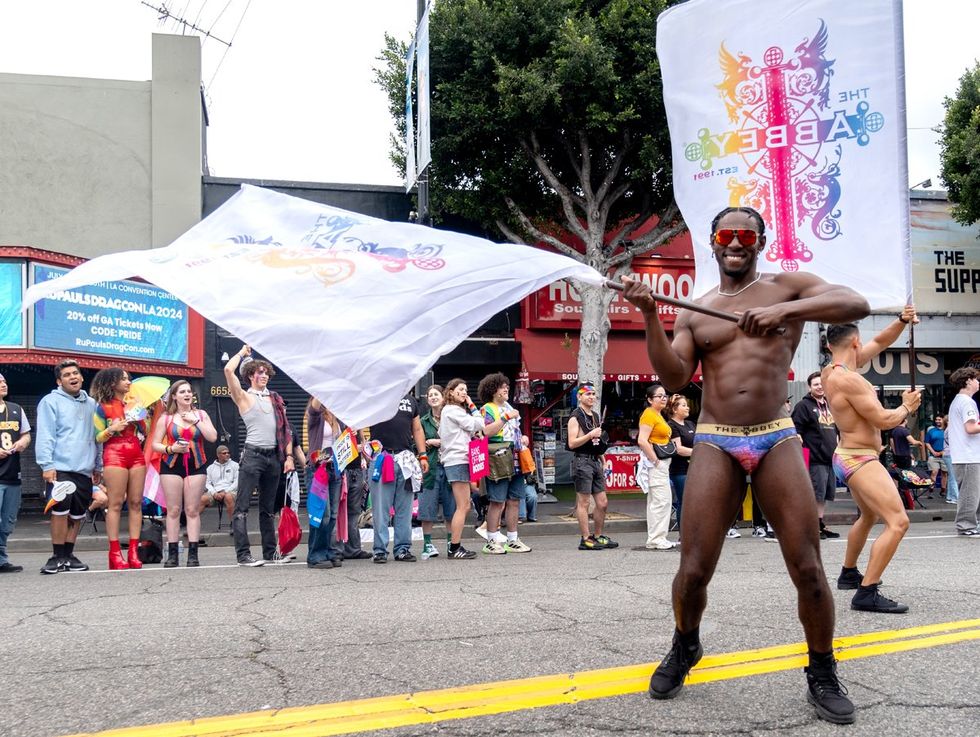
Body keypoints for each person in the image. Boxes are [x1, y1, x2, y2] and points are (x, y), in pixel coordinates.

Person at [622, 205, 870, 724]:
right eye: (725, 235)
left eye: (745, 235)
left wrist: (784, 313)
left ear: (759, 241)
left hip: (775, 435)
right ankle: (685, 645)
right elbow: (673, 379)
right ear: (713, 243)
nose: (735, 242)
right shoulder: (696, 308)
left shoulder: (788, 287)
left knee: (807, 566)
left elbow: (857, 302)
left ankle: (821, 669)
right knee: (692, 571)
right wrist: (649, 315)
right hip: (716, 439)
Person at [821, 309, 922, 613]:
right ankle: (867, 592)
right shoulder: (851, 381)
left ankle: (849, 573)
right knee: (898, 521)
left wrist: (902, 322)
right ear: (855, 342)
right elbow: (884, 419)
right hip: (859, 458)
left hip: (848, 455)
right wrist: (906, 407)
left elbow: (880, 341)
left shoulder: (830, 372)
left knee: (869, 517)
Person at [224, 346, 294, 567]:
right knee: (242, 507)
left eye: (265, 373)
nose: (263, 376)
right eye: (258, 372)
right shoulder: (244, 396)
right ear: (250, 376)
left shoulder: (275, 398)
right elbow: (227, 369)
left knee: (267, 509)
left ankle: (270, 553)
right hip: (253, 455)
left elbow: (286, 430)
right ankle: (243, 555)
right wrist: (242, 353)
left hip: (273, 457)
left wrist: (289, 456)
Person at [35, 359, 103, 574]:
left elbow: (97, 437)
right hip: (60, 468)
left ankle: (69, 555)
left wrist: (97, 466)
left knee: (77, 515)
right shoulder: (50, 402)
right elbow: (45, 435)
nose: (73, 377)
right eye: (67, 375)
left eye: (75, 373)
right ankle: (56, 556)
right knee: (59, 511)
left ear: (82, 377)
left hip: (85, 468)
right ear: (59, 381)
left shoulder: (93, 404)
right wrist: (47, 465)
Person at [150, 380, 217, 567]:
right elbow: (155, 444)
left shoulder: (201, 415)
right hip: (171, 465)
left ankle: (193, 554)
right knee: (172, 510)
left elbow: (212, 437)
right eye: (182, 392)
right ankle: (172, 555)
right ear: (174, 396)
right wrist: (171, 449)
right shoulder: (166, 418)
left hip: (196, 466)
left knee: (192, 510)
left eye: (189, 391)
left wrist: (195, 421)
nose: (187, 394)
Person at [439, 378, 506, 559]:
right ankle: (454, 547)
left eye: (466, 390)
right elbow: (478, 424)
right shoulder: (452, 410)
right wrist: (472, 405)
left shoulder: (450, 411)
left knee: (464, 505)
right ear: (450, 392)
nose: (464, 392)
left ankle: (455, 545)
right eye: (460, 389)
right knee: (463, 506)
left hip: (456, 460)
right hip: (458, 460)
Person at [91, 368, 148, 569]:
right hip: (114, 453)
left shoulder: (134, 405)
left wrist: (141, 419)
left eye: (128, 378)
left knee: (135, 502)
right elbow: (97, 436)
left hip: (136, 453)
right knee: (115, 503)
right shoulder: (102, 407)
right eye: (123, 378)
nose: (127, 381)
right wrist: (111, 429)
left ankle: (133, 550)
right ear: (111, 383)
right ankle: (115, 552)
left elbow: (145, 431)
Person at [368, 393, 428, 563]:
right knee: (380, 508)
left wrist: (422, 455)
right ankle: (380, 550)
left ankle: (402, 549)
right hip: (382, 457)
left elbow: (416, 428)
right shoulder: (376, 395)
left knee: (405, 508)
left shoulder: (410, 401)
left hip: (405, 458)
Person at [478, 372, 532, 555]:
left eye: (507, 386)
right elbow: (485, 432)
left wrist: (523, 437)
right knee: (497, 501)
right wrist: (505, 418)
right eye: (503, 386)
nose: (506, 389)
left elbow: (514, 431)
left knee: (515, 499)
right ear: (493, 390)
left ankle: (512, 539)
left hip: (515, 454)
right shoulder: (487, 409)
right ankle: (492, 540)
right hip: (498, 456)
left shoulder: (509, 406)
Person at [567, 383, 618, 551]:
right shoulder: (575, 417)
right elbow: (572, 443)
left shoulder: (595, 416)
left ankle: (597, 535)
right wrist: (589, 434)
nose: (591, 397)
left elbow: (596, 442)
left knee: (602, 502)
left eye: (593, 394)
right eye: (587, 394)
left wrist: (602, 458)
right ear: (579, 396)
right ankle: (585, 538)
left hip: (595, 460)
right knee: (584, 501)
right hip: (582, 461)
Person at [791, 372, 840, 539]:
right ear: (809, 387)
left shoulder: (830, 405)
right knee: (814, 494)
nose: (820, 387)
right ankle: (810, 527)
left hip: (830, 458)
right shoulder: (803, 406)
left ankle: (819, 524)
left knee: (823, 495)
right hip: (813, 458)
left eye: (822, 384)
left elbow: (838, 430)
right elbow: (796, 430)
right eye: (816, 384)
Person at [305, 398, 344, 569]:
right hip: (318, 469)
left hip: (334, 468)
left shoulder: (337, 416)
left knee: (333, 514)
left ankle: (329, 550)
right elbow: (314, 406)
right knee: (322, 514)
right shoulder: (316, 415)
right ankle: (315, 554)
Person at [636, 384, 676, 551]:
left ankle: (656, 538)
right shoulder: (649, 415)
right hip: (656, 463)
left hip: (660, 463)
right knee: (662, 501)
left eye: (664, 395)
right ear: (650, 399)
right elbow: (642, 440)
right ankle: (658, 538)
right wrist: (656, 461)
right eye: (659, 396)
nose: (663, 398)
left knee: (659, 501)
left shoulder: (657, 415)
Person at [0, 372, 32, 574]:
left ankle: (2, 558)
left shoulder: (16, 409)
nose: (3, 384)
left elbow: (26, 434)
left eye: (4, 381)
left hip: (13, 475)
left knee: (8, 520)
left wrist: (23, 442)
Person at [419, 385, 454, 559]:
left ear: (443, 397)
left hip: (450, 466)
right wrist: (427, 443)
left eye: (436, 394)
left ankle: (451, 542)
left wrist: (438, 441)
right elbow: (415, 443)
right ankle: (427, 544)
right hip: (430, 467)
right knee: (427, 506)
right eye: (430, 395)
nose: (433, 397)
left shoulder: (451, 416)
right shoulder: (423, 421)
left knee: (451, 507)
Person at [947, 367, 980, 536]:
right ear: (968, 381)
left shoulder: (956, 402)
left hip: (962, 455)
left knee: (972, 491)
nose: (978, 383)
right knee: (969, 493)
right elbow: (971, 428)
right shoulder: (967, 402)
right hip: (969, 455)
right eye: (976, 379)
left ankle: (971, 522)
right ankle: (966, 525)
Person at [667, 394, 695, 534]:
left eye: (687, 404)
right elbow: (678, 449)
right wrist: (698, 452)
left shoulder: (690, 424)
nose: (687, 407)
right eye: (683, 405)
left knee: (696, 501)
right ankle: (683, 534)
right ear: (674, 409)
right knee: (684, 502)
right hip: (680, 470)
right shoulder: (671, 425)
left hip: (695, 468)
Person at [201, 445, 239, 521]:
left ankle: (234, 526)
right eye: (224, 453)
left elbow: (237, 482)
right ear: (218, 455)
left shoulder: (235, 465)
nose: (227, 454)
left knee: (228, 497)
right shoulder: (211, 468)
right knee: (202, 499)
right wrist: (214, 493)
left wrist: (225, 492)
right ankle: (190, 523)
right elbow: (207, 483)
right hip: (215, 492)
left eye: (228, 453)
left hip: (230, 491)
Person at [923, 416, 947, 496]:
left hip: (945, 455)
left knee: (945, 473)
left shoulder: (947, 431)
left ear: (943, 420)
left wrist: (942, 452)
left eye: (939, 419)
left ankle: (943, 490)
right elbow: (927, 442)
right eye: (936, 420)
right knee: (934, 472)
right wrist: (933, 451)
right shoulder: (931, 431)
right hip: (933, 455)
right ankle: (931, 490)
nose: (937, 421)